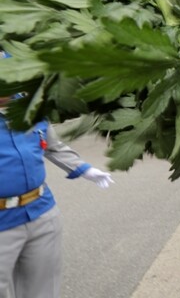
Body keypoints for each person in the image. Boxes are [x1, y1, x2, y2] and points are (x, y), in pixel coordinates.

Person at [0, 92, 114, 298]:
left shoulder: (30, 107)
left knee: (43, 289)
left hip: (41, 212)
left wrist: (84, 169)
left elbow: (52, 146)